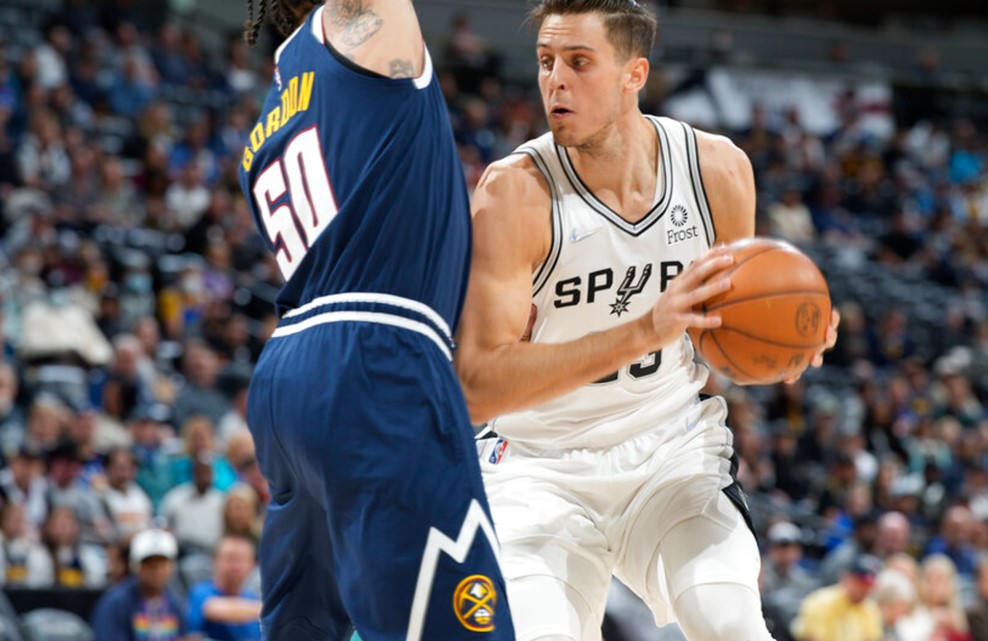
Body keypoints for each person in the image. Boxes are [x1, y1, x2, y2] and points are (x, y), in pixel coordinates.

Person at [453, 2, 838, 640]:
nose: (555, 81)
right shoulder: (512, 193)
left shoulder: (716, 170)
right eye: (547, 62)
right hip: (536, 466)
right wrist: (645, 328)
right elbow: (477, 387)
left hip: (671, 452)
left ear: (635, 74)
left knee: (733, 626)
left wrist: (791, 337)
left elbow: (721, 341)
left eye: (579, 63)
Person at [236, 0, 514, 640]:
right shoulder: (364, 30)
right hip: (377, 358)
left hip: (289, 378)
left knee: (305, 628)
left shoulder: (270, 113)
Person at [90, 528, 187, 641]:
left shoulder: (174, 604)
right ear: (135, 566)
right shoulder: (115, 603)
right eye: (149, 564)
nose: (157, 571)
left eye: (162, 564)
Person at [184, 535, 261, 641]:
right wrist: (267, 610)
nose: (235, 566)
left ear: (253, 564)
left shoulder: (252, 598)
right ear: (214, 561)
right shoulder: (201, 592)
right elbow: (213, 608)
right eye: (230, 559)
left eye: (242, 559)